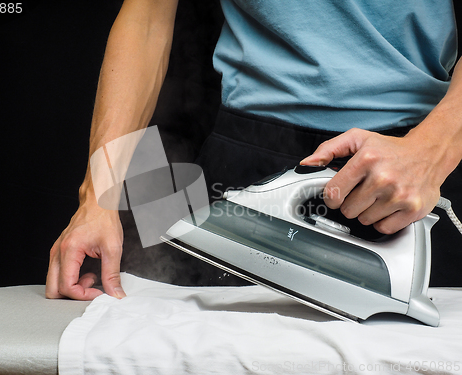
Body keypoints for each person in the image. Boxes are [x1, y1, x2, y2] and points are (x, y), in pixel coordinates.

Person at [46, 0, 462, 300]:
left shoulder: (421, 160)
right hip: (248, 152)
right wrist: (97, 198)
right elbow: (148, 16)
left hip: (408, 167)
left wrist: (429, 153)